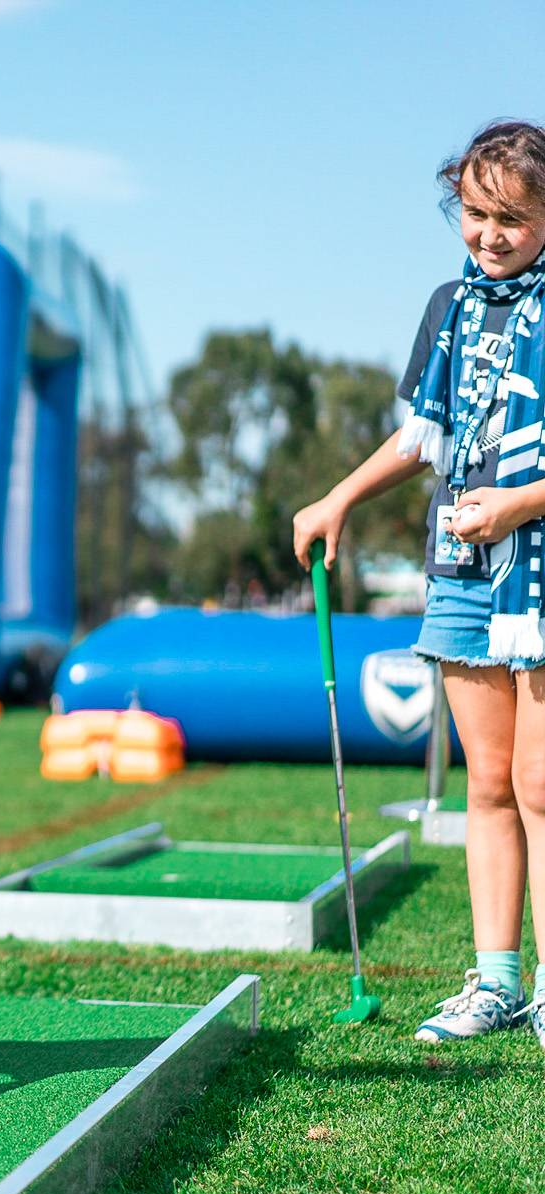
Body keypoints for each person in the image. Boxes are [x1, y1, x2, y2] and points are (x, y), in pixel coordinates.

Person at [293, 120, 545, 1047]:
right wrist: (338, 497)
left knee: (542, 780)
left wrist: (518, 506)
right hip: (465, 571)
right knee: (486, 782)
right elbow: (424, 438)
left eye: (512, 218)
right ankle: (496, 982)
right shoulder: (448, 306)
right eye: (476, 213)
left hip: (541, 572)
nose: (489, 234)